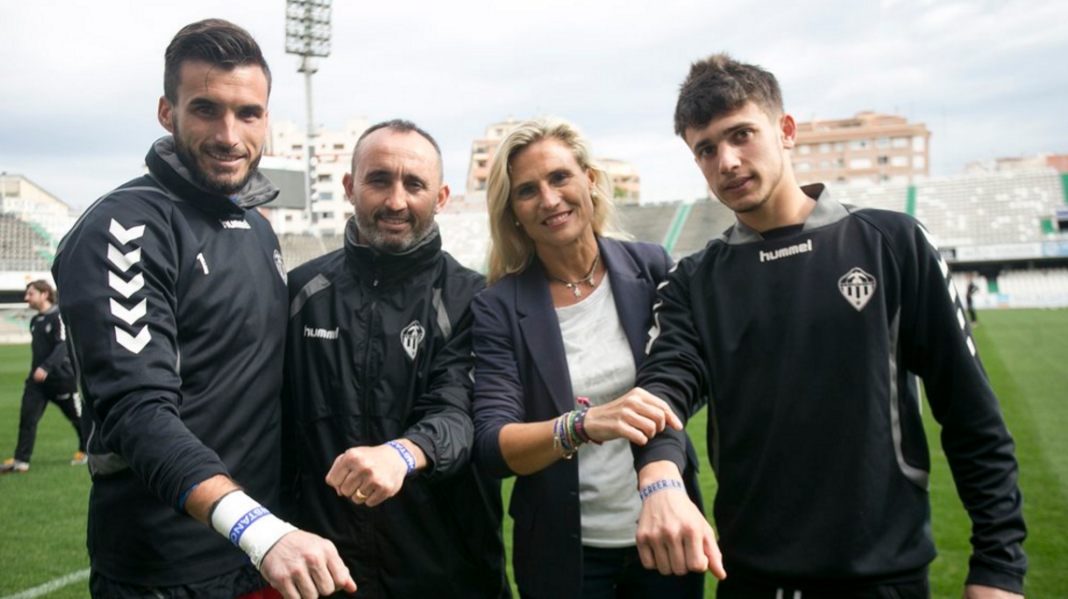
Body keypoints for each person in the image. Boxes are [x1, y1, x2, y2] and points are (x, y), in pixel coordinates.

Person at [629, 53, 1027, 598]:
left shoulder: (893, 245)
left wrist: (999, 569)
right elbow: (662, 391)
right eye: (706, 149)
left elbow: (970, 413)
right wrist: (660, 476)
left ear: (786, 131)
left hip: (881, 580)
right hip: (750, 581)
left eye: (741, 134)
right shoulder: (693, 281)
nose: (727, 161)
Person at [51, 19, 354, 599]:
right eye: (206, 109)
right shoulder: (125, 227)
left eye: (248, 113)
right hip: (169, 569)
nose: (229, 135)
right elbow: (137, 412)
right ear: (167, 112)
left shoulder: (258, 230)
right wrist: (257, 529)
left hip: (264, 556)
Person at [470, 117, 705, 599]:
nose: (549, 199)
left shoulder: (651, 266)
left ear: (590, 180)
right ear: (513, 212)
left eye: (560, 177)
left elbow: (686, 380)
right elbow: (493, 444)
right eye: (527, 190)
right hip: (563, 552)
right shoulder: (498, 307)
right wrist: (583, 424)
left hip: (665, 532)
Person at [281, 119, 510, 599]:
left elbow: (460, 412)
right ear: (350, 187)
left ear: (441, 197)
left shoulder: (476, 299)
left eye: (415, 184)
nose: (396, 201)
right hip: (328, 576)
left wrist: (402, 453)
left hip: (447, 578)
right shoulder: (300, 293)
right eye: (379, 180)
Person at [0, 280, 86, 474]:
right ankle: (21, 460)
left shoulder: (58, 317)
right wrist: (37, 371)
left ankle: (87, 450)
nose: (26, 298)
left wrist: (46, 367)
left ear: (44, 294)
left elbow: (63, 345)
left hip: (61, 381)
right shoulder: (35, 321)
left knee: (78, 419)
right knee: (27, 419)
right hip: (37, 383)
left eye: (30, 294)